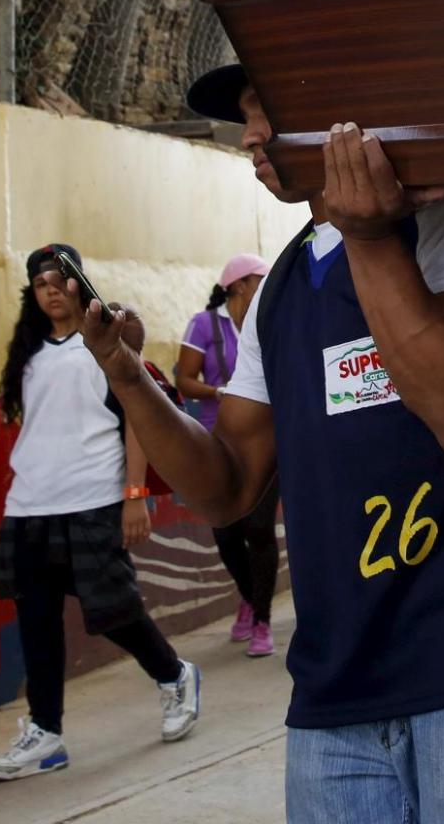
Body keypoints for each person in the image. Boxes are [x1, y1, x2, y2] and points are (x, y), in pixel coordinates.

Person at [50, 65, 444, 822]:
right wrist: (126, 374)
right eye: (246, 119)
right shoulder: (282, 285)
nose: (253, 137)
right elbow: (228, 487)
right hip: (334, 694)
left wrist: (367, 232)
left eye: (271, 112)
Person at [0, 244, 201, 782]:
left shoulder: (109, 340)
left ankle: (175, 676)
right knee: (36, 623)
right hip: (30, 503)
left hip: (94, 500)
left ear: (80, 283)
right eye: (41, 284)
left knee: (115, 612)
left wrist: (133, 494)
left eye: (61, 280)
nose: (52, 290)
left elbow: (138, 417)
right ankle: (46, 735)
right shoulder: (28, 353)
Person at [175, 252, 281, 657]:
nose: (264, 287)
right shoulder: (204, 325)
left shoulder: (269, 319)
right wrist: (218, 392)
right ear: (238, 285)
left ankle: (262, 620)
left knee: (258, 528)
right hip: (217, 441)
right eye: (260, 280)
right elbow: (184, 380)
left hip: (267, 438)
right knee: (225, 532)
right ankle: (251, 596)